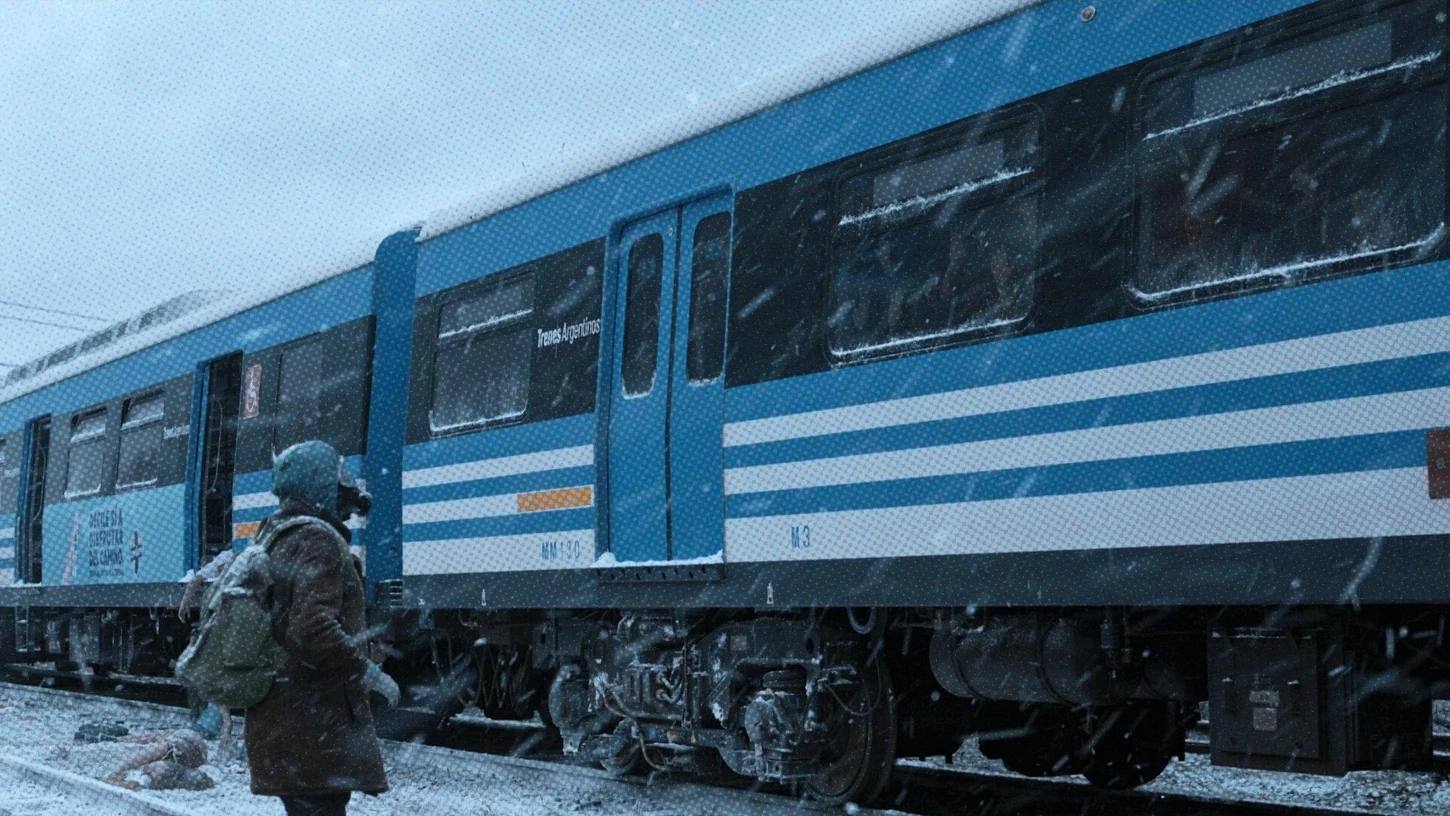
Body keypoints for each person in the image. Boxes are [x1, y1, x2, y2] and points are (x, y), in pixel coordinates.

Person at [246, 440, 399, 816]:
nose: (346, 510)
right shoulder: (318, 541)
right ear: (320, 488)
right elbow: (311, 628)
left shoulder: (275, 534)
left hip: (283, 718)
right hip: (315, 725)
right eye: (340, 494)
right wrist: (367, 672)